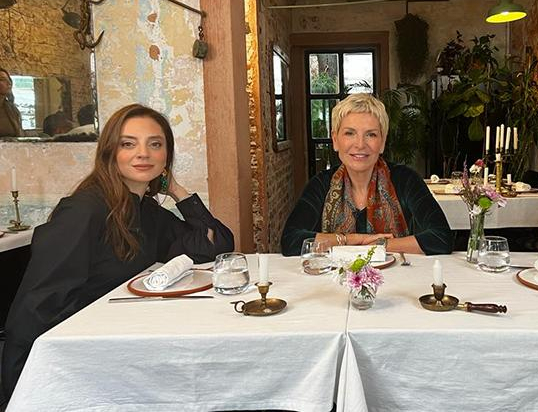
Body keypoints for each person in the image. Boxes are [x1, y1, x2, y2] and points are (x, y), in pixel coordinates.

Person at [1, 104, 235, 398]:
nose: (143, 154)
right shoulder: (83, 210)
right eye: (128, 144)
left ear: (167, 155)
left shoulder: (146, 211)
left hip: (119, 345)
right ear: (110, 152)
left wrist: (176, 189)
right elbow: (38, 308)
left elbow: (215, 244)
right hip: (61, 364)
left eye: (155, 144)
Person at [281, 93, 452, 256]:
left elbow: (441, 238)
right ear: (335, 140)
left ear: (382, 142)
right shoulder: (321, 184)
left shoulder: (406, 180)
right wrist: (353, 240)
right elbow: (291, 240)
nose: (360, 144)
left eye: (371, 134)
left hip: (397, 275)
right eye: (349, 133)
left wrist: (378, 246)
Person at [0, 68, 23, 137]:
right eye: (2, 79)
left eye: (9, 79)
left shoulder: (13, 110)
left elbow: (19, 135)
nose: (9, 83)